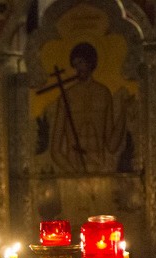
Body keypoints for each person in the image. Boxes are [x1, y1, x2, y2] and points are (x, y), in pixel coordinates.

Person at [50, 42, 128, 173]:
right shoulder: (67, 96)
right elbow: (55, 150)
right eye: (75, 65)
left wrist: (124, 110)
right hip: (74, 170)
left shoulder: (103, 94)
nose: (78, 69)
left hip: (100, 169)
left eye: (81, 63)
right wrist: (74, 174)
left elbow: (112, 145)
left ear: (91, 62)